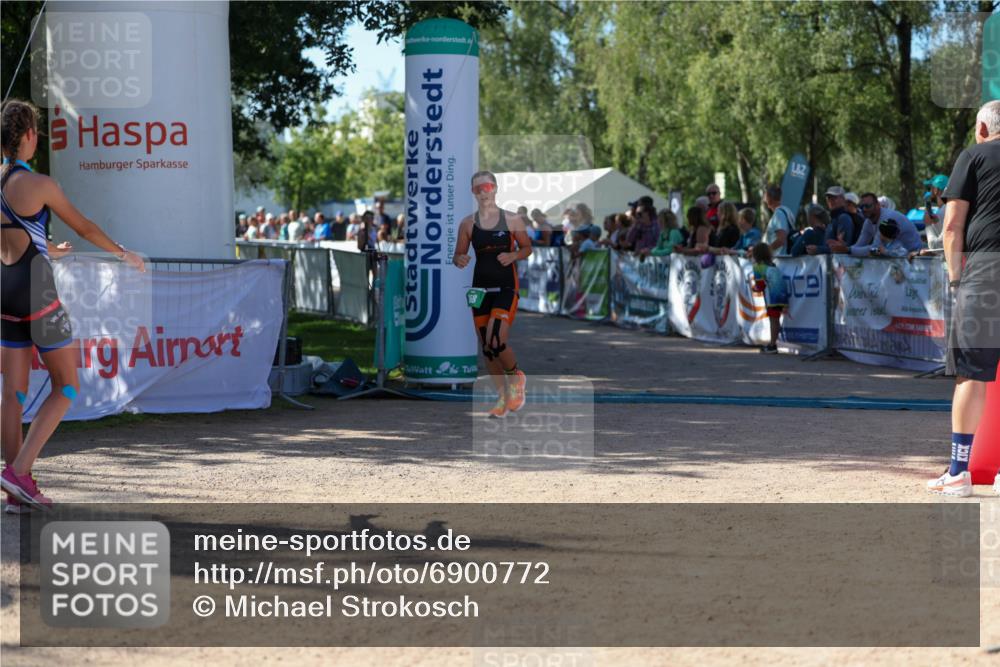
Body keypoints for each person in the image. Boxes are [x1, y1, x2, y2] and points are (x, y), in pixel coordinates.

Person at [0, 99, 146, 512]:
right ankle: (19, 473)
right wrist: (124, 254)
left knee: (12, 395)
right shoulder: (39, 184)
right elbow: (84, 226)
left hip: (6, 292)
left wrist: (50, 250)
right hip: (37, 295)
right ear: (29, 135)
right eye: (38, 133)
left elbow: (15, 235)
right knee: (66, 386)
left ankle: (15, 490)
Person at [926, 100, 1000, 497]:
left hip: (986, 271)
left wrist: (955, 279)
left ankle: (958, 472)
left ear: (983, 128)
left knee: (971, 373)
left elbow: (952, 226)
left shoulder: (973, 156)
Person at [453, 171, 531, 418]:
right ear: (473, 193)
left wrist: (514, 255)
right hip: (479, 290)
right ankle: (503, 397)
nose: (483, 192)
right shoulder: (467, 223)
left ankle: (516, 377)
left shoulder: (512, 219)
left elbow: (527, 248)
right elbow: (458, 254)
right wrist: (460, 259)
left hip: (506, 287)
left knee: (496, 339)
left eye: (487, 187)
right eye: (478, 189)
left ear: (495, 188)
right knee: (487, 347)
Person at [837, 192, 922, 256]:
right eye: (862, 207)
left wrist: (848, 250)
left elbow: (875, 248)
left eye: (868, 206)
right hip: (900, 256)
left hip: (915, 258)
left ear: (878, 205)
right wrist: (843, 248)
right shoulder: (868, 221)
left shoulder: (886, 218)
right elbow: (859, 245)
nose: (864, 209)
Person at [750, 242, 787, 354]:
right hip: (782, 294)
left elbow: (760, 286)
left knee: (773, 320)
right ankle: (773, 343)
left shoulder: (757, 267)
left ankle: (772, 345)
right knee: (776, 319)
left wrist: (754, 288)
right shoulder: (772, 265)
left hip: (772, 297)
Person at [760, 184, 794, 256]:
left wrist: (764, 251)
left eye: (765, 196)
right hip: (783, 257)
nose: (764, 199)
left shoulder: (779, 214)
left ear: (769, 198)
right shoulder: (787, 210)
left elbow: (781, 240)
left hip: (779, 258)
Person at [920, 174, 949, 253]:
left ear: (936, 190)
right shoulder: (945, 209)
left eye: (930, 188)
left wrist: (928, 225)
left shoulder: (944, 211)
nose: (929, 191)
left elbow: (937, 247)